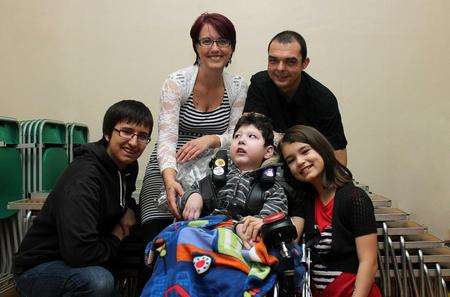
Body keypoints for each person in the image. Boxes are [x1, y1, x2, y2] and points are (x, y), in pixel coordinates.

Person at [14, 100, 153, 297]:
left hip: (82, 259)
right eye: (126, 131)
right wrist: (118, 234)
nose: (133, 142)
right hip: (40, 269)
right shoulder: (84, 178)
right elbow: (81, 254)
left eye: (142, 136)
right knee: (99, 282)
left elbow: (121, 201)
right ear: (107, 133)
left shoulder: (128, 167)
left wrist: (131, 212)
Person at [139, 12, 247, 242]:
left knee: (201, 239)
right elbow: (166, 139)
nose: (215, 48)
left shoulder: (237, 86)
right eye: (207, 41)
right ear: (196, 46)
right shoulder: (176, 82)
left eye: (223, 41)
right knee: (156, 239)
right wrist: (170, 180)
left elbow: (235, 135)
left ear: (232, 48)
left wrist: (211, 140)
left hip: (212, 172)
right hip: (168, 167)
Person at [279, 125, 380, 297]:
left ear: (321, 149)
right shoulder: (305, 202)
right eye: (291, 160)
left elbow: (368, 262)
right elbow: (291, 240)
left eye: (305, 151)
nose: (300, 162)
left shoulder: (355, 198)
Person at [176, 113, 288, 248]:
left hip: (242, 246)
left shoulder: (272, 188)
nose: (241, 140)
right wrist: (192, 196)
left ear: (268, 151)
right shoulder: (215, 176)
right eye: (237, 136)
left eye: (251, 136)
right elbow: (184, 198)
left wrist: (247, 226)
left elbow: (271, 218)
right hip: (204, 236)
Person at [244, 30, 348, 166]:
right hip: (265, 167)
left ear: (305, 63)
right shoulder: (259, 83)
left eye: (290, 62)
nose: (280, 68)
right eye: (273, 60)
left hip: (306, 171)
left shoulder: (324, 100)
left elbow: (338, 156)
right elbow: (249, 132)